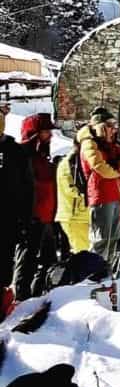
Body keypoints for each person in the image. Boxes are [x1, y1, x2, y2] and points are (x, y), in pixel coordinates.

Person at [78, 108, 120, 265]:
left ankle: (107, 271)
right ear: (100, 126)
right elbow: (101, 168)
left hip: (116, 194)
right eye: (110, 125)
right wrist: (119, 170)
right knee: (101, 239)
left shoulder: (113, 146)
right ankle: (94, 273)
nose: (113, 129)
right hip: (101, 195)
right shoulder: (90, 143)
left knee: (113, 238)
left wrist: (117, 167)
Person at [12, 114, 58, 301]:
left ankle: (37, 296)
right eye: (46, 132)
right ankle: (21, 298)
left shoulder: (43, 156)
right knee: (27, 260)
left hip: (46, 217)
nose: (51, 136)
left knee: (49, 261)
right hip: (31, 217)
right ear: (35, 134)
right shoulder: (21, 156)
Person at [0, 99, 33, 304]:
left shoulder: (15, 152)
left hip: (8, 219)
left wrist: (25, 220)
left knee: (4, 265)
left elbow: (27, 189)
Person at [55, 139, 90, 254]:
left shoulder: (77, 162)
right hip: (74, 216)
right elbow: (72, 189)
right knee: (84, 253)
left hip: (81, 216)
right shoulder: (69, 164)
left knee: (87, 253)